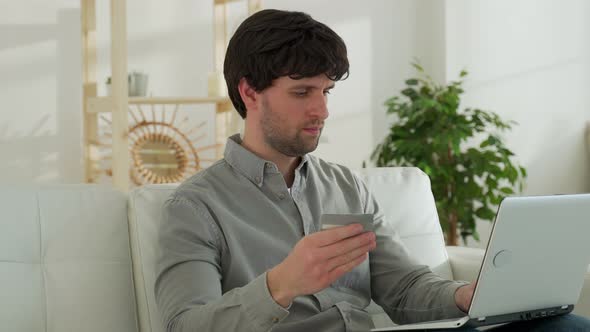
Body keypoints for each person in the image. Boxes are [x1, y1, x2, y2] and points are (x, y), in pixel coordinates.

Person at [155, 9, 590, 332]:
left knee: (567, 328)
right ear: (249, 92)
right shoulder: (195, 207)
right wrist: (279, 286)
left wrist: (462, 295)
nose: (322, 109)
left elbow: (401, 288)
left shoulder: (346, 187)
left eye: (326, 91)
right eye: (302, 91)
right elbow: (184, 324)